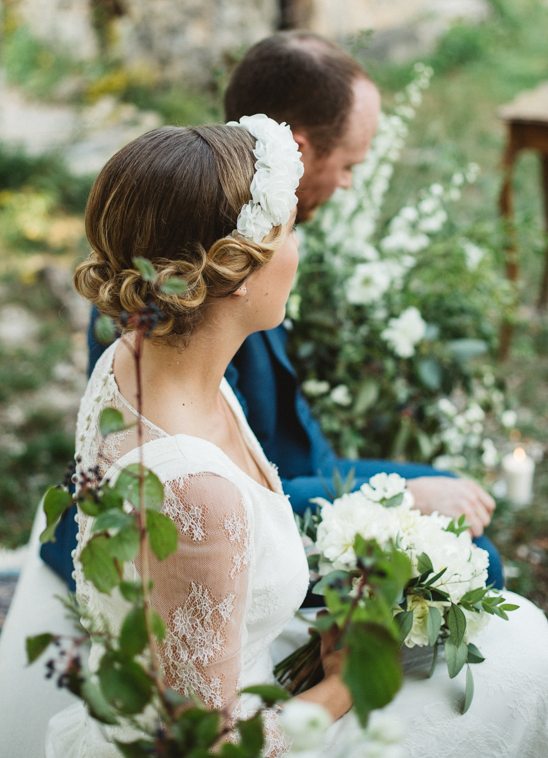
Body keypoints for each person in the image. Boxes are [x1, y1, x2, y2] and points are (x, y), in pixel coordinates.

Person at [46, 120, 548, 758]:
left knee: (520, 641)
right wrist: (345, 684)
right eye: (287, 230)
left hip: (214, 664)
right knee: (527, 658)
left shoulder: (137, 361)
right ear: (236, 270)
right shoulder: (195, 493)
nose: (299, 247)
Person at [44, 31, 500, 590]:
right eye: (350, 163)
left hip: (279, 469)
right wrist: (387, 501)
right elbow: (202, 491)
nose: (351, 181)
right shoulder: (185, 272)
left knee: (452, 499)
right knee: (472, 561)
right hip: (215, 517)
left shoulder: (239, 241)